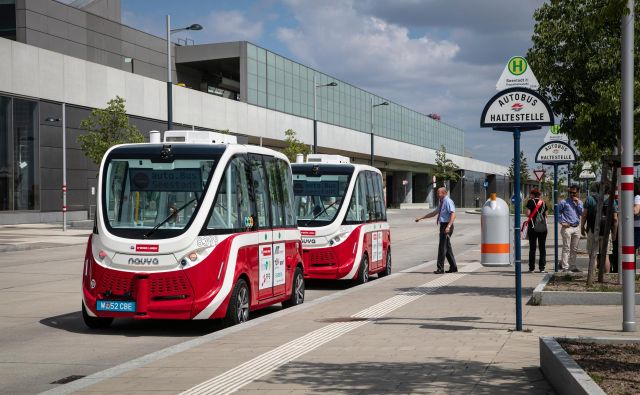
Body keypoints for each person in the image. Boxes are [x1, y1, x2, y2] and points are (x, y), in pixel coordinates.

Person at [415, 187, 458, 274]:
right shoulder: (442, 202)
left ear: (444, 193)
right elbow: (434, 213)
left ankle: (440, 268)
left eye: (439, 193)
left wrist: (448, 227)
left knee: (442, 247)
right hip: (443, 225)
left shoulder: (448, 201)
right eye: (437, 193)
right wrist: (421, 218)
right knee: (447, 248)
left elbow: (453, 215)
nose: (437, 195)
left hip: (447, 225)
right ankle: (453, 267)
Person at [581, 183, 617, 275]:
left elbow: (584, 215)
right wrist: (614, 233)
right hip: (606, 231)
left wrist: (582, 227)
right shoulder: (611, 200)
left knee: (593, 255)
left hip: (592, 230)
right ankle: (606, 276)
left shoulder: (590, 199)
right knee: (605, 256)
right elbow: (615, 219)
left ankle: (592, 276)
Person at [558, 185, 583, 272]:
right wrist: (562, 222)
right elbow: (557, 212)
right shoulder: (564, 202)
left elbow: (582, 213)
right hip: (567, 228)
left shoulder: (579, 202)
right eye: (570, 192)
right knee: (566, 247)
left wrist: (578, 203)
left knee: (574, 248)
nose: (572, 194)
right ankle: (565, 267)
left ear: (578, 192)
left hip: (576, 227)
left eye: (574, 193)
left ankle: (572, 265)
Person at [526, 188, 547, 273]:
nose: (530, 195)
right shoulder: (543, 202)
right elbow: (546, 215)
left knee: (532, 248)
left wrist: (532, 215)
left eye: (530, 194)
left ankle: (531, 268)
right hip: (542, 227)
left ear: (533, 194)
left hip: (533, 228)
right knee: (542, 248)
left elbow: (527, 214)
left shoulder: (530, 202)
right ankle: (542, 268)